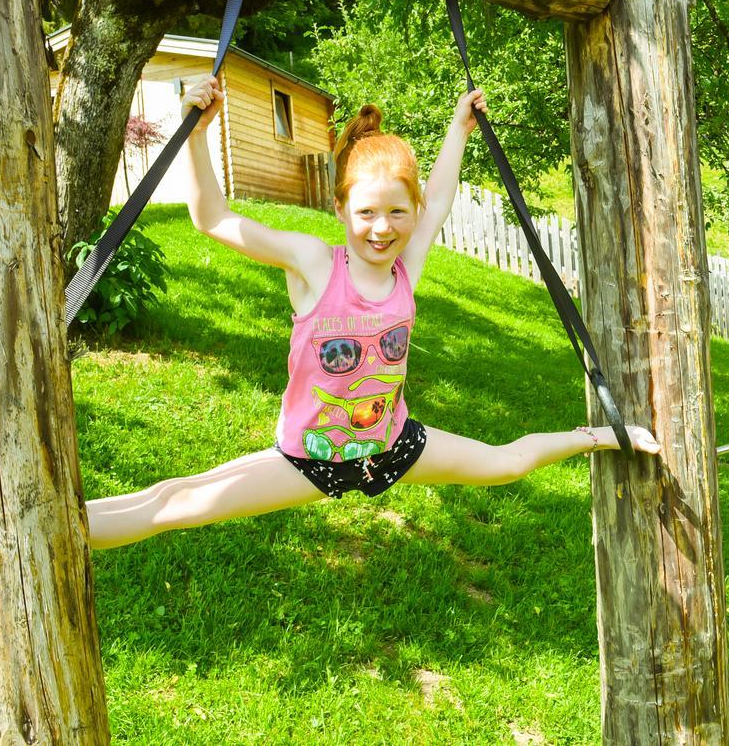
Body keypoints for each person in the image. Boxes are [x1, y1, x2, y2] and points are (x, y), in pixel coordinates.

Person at [85, 76, 661, 550]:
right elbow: (211, 218)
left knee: (506, 464)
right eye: (365, 212)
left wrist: (459, 128)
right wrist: (198, 133)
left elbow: (439, 196)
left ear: (412, 210)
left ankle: (602, 435)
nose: (381, 228)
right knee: (177, 503)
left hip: (392, 448)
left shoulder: (406, 269)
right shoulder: (313, 262)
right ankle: (64, 527)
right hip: (306, 460)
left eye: (396, 212)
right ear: (339, 208)